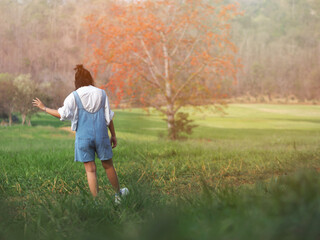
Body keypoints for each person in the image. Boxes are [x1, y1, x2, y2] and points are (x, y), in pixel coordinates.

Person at [32, 64, 128, 202]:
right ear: (90, 79)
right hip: (101, 136)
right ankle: (118, 195)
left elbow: (61, 114)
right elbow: (108, 118)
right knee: (108, 166)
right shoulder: (101, 93)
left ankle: (96, 202)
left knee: (90, 170)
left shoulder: (73, 96)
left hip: (83, 138)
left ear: (76, 82)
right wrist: (113, 135)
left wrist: (44, 108)